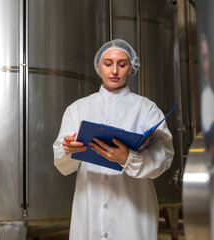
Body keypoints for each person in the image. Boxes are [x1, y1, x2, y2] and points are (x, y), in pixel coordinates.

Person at [53, 39, 174, 240]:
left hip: (133, 212)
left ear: (131, 68)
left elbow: (164, 156)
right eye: (108, 64)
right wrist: (68, 150)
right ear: (98, 67)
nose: (115, 71)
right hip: (88, 210)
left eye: (122, 64)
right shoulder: (77, 109)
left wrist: (128, 158)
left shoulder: (147, 109)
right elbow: (61, 162)